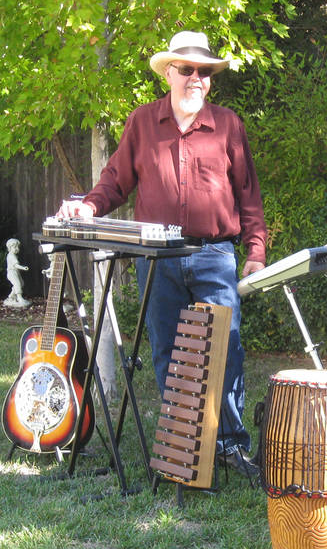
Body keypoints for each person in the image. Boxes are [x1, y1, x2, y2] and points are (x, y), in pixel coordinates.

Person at [58, 31, 266, 477]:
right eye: (187, 69)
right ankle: (181, 451)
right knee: (167, 352)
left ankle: (229, 446)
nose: (196, 78)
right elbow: (115, 180)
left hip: (214, 257)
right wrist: (88, 206)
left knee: (226, 351)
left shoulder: (228, 125)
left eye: (204, 72)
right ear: (169, 73)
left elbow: (248, 191)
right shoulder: (142, 123)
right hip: (157, 261)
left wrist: (256, 249)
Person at [4, 238, 31, 308]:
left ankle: (11, 295)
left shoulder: (14, 255)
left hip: (15, 272)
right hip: (12, 273)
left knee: (21, 283)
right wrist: (23, 268)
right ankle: (19, 297)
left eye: (17, 247)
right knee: (17, 284)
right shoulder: (11, 256)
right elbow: (15, 265)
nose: (17, 249)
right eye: (15, 247)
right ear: (9, 248)